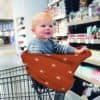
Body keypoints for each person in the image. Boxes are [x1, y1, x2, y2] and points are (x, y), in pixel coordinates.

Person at [27, 11, 88, 100]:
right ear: (33, 30)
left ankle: (83, 91)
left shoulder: (50, 42)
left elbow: (61, 48)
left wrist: (76, 51)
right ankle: (83, 92)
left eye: (50, 26)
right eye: (43, 26)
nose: (48, 28)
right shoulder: (35, 44)